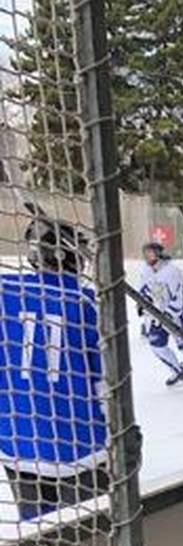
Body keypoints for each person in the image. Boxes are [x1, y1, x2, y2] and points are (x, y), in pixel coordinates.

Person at [0, 208, 108, 520]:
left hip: (17, 441)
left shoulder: (6, 290)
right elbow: (105, 384)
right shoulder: (88, 301)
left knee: (39, 535)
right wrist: (126, 433)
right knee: (90, 536)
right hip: (81, 444)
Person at [136, 240, 183, 389]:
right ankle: (178, 372)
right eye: (145, 253)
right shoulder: (145, 271)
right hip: (156, 317)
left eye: (150, 252)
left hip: (178, 318)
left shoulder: (172, 272)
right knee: (156, 345)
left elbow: (179, 296)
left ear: (159, 253)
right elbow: (144, 291)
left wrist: (170, 313)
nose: (147, 256)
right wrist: (142, 305)